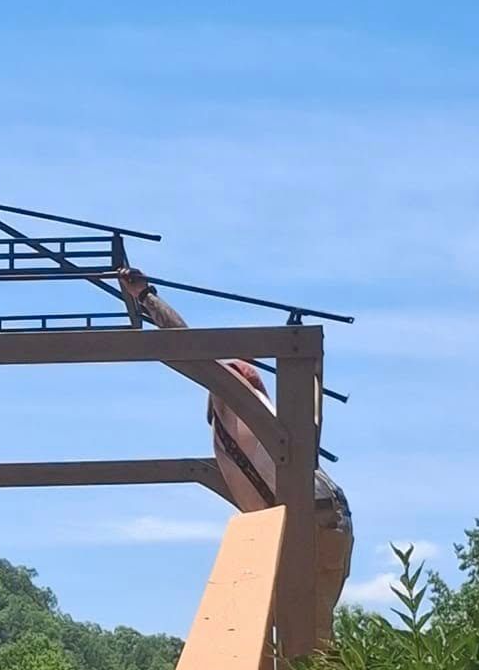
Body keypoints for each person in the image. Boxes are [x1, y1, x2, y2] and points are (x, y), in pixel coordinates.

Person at [116, 268, 354, 640]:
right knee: (304, 633)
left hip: (314, 521)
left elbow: (188, 347)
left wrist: (146, 297)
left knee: (303, 639)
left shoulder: (243, 408)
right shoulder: (269, 427)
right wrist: (312, 363)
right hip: (327, 518)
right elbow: (313, 406)